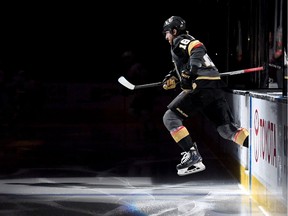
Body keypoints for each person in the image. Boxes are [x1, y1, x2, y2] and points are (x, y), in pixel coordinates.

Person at [161, 16, 249, 176]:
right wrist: (174, 77)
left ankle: (193, 156)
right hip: (214, 85)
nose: (166, 37)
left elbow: (197, 47)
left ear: (174, 31)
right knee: (227, 131)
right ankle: (255, 144)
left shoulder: (180, 40)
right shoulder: (182, 44)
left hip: (201, 85)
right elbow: (187, 64)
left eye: (167, 33)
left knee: (170, 118)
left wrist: (190, 73)